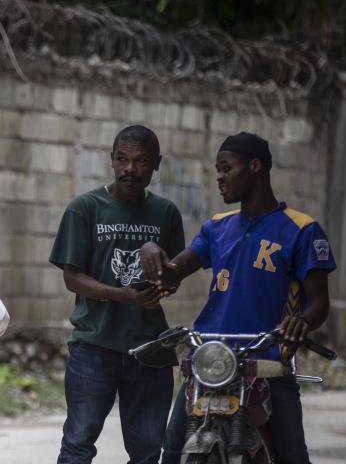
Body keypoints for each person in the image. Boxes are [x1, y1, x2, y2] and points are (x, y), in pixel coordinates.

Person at [139, 132, 335, 464]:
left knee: (293, 456)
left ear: (255, 166)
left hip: (268, 363)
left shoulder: (301, 229)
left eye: (226, 168)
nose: (219, 177)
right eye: (217, 170)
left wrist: (301, 321)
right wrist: (150, 250)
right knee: (171, 453)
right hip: (209, 358)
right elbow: (172, 272)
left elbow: (319, 303)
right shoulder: (217, 227)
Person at [50, 125, 185, 464]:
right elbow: (72, 278)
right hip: (94, 345)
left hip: (149, 348)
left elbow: (175, 276)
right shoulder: (85, 207)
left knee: (148, 451)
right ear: (111, 161)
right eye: (122, 159)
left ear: (156, 164)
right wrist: (124, 295)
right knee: (78, 444)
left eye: (140, 161)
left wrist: (162, 284)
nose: (130, 169)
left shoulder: (166, 213)